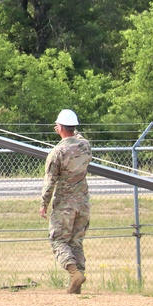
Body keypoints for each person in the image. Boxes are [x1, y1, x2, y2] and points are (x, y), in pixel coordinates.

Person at [39, 109, 92, 294]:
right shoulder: (85, 146)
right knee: (76, 242)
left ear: (59, 127)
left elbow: (50, 182)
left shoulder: (57, 152)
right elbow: (77, 137)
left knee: (58, 240)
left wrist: (44, 204)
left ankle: (74, 273)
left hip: (64, 204)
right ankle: (77, 283)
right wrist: (67, 130)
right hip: (83, 203)